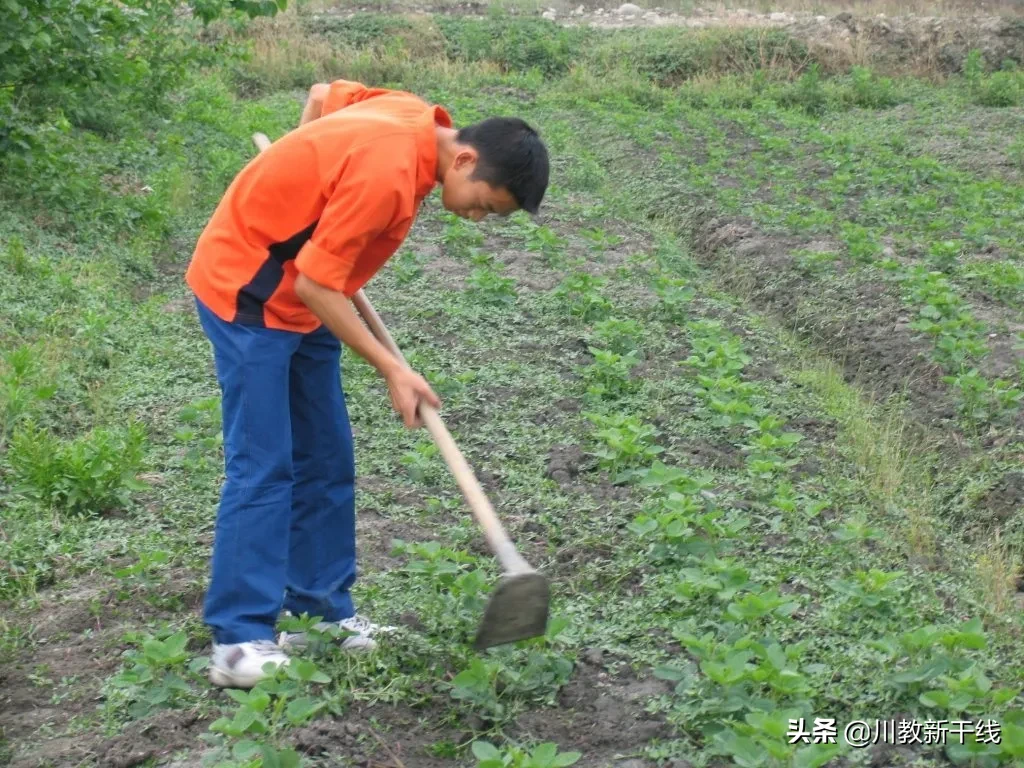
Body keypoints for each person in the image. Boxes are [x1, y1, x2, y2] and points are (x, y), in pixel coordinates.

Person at [185, 79, 549, 689]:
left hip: (304, 299)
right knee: (265, 465)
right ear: (464, 159)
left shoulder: (415, 116)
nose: (478, 218)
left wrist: (299, 169)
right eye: (485, 204)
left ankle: (318, 615)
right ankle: (237, 640)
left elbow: (326, 93)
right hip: (249, 295)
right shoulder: (385, 174)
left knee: (326, 458)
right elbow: (316, 284)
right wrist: (392, 368)